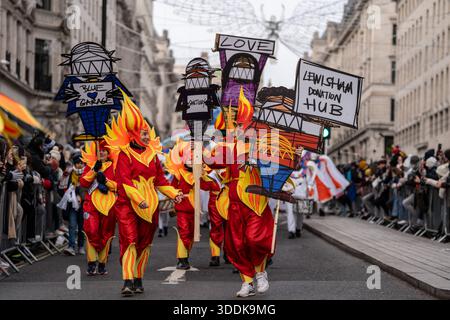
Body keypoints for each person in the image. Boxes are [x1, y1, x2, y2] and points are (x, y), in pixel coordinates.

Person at [104, 92, 183, 296]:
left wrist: (174, 194)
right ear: (133, 135)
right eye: (143, 133)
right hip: (127, 205)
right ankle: (128, 280)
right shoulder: (124, 155)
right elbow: (125, 182)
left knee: (145, 243)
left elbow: (161, 181)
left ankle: (139, 278)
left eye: (147, 133)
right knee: (129, 240)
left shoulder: (153, 157)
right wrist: (139, 201)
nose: (147, 136)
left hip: (151, 206)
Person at [79, 141, 117, 276]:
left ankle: (102, 263)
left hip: (108, 206)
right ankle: (91, 262)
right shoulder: (91, 165)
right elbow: (83, 182)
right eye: (99, 150)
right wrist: (94, 170)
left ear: (108, 153)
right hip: (91, 205)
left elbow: (118, 186)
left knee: (106, 234)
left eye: (104, 150)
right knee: (91, 231)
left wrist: (105, 181)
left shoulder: (114, 166)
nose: (101, 153)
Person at [60, 154, 85, 256]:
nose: (79, 165)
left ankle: (81, 246)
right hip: (72, 204)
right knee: (72, 225)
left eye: (81, 163)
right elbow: (61, 186)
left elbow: (87, 187)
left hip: (83, 204)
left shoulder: (87, 173)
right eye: (77, 163)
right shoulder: (69, 173)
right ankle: (71, 246)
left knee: (82, 227)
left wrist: (80, 195)